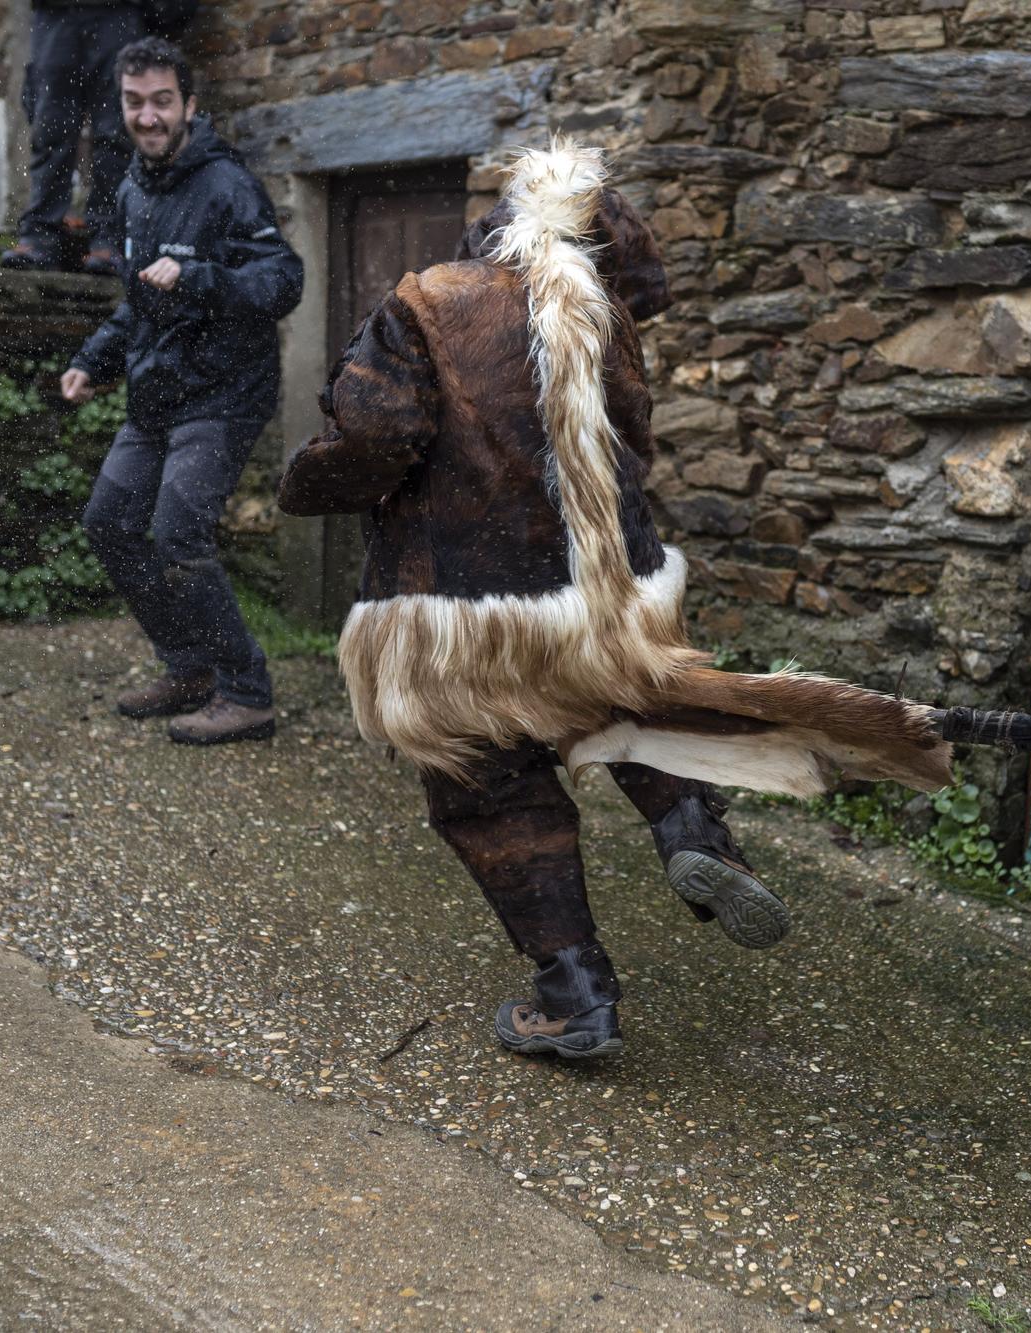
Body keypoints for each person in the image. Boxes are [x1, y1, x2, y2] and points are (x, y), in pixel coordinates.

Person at [277, 142, 951, 1060]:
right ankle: (689, 825)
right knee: (624, 706)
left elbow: (374, 437)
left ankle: (577, 993)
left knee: (486, 779)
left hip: (461, 612)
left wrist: (306, 483)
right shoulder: (609, 319)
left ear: (495, 230)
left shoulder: (429, 302)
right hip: (610, 592)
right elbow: (635, 447)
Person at [62, 37, 301, 744]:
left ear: (189, 105)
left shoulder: (227, 185)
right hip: (156, 392)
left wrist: (199, 276)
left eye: (162, 101)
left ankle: (247, 692)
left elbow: (283, 280)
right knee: (109, 522)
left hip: (224, 392)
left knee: (178, 533)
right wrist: (92, 361)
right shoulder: (132, 189)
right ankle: (190, 668)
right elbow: (137, 304)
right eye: (135, 102)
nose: (148, 115)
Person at [1, 0, 145, 274]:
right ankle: (41, 234)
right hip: (55, 11)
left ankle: (110, 236)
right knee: (49, 129)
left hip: (118, 10)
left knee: (115, 132)